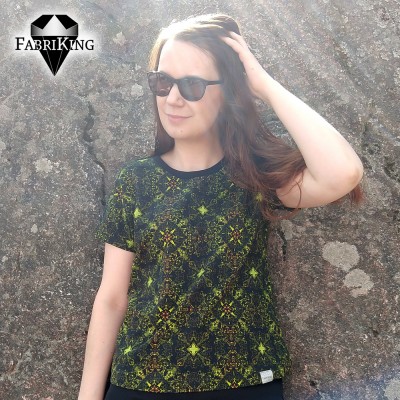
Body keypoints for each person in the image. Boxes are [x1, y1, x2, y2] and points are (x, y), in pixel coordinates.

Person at [78, 14, 363, 400]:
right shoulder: (135, 181)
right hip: (141, 383)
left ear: (227, 91)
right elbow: (112, 297)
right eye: (162, 82)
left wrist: (263, 85)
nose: (172, 98)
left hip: (244, 382)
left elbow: (343, 173)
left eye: (192, 85)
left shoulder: (255, 176)